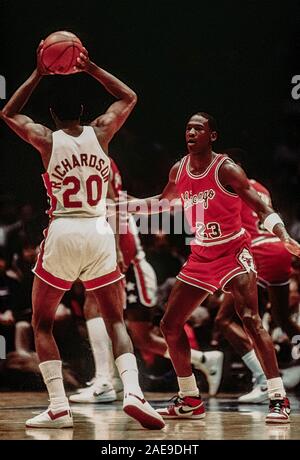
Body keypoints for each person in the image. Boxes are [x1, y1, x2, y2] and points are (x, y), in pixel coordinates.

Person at [0, 42, 164, 430]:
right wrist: (91, 68)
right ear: (85, 112)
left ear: (53, 114)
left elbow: (8, 112)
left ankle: (58, 407)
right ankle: (135, 393)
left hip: (63, 230)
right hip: (98, 230)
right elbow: (129, 96)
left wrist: (39, 73)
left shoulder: (45, 138)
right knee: (117, 321)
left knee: (41, 323)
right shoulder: (102, 133)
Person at [127, 112, 300, 424]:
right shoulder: (179, 169)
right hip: (201, 257)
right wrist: (123, 207)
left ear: (213, 136)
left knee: (249, 319)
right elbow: (163, 203)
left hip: (234, 251)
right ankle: (190, 398)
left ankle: (278, 396)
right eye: (188, 127)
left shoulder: (227, 168)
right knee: (169, 324)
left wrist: (284, 235)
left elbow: (262, 207)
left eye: (198, 128)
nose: (191, 132)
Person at [69, 158, 223, 404]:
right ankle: (202, 360)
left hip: (122, 247)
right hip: (112, 232)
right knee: (140, 338)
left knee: (94, 303)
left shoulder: (95, 157)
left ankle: (105, 380)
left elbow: (114, 204)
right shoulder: (98, 156)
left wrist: (117, 246)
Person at [213, 149, 300, 403]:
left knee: (224, 319)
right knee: (282, 317)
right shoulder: (260, 186)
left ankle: (263, 380)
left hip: (258, 252)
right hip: (278, 249)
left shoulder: (229, 188)